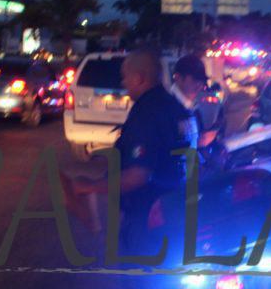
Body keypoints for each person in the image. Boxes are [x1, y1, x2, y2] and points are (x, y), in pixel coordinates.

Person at [73, 49, 197, 254]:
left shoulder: (147, 112)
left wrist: (89, 186)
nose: (123, 83)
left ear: (139, 78)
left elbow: (138, 176)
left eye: (125, 77)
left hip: (149, 221)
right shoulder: (178, 109)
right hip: (178, 215)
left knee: (140, 281)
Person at [171, 54, 223, 150]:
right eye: (195, 80)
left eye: (201, 80)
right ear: (178, 78)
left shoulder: (192, 108)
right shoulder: (166, 108)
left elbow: (197, 140)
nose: (199, 85)